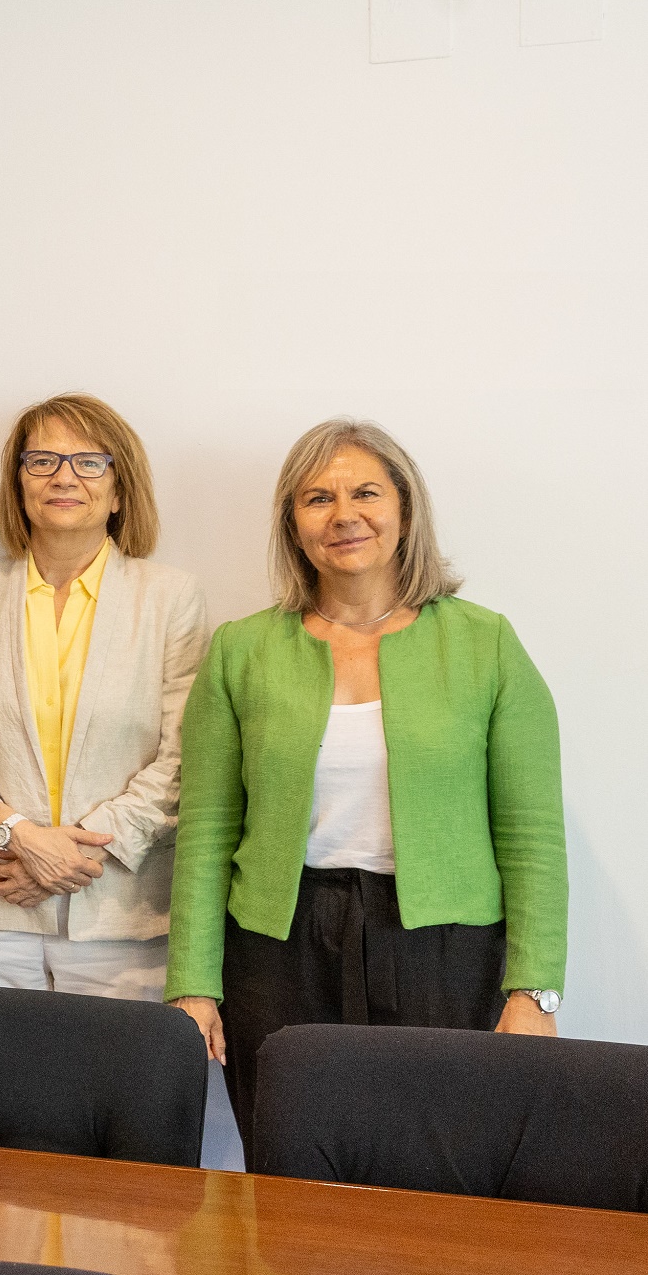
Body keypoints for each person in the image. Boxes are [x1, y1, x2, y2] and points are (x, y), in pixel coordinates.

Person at [166, 419, 566, 1144]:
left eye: (366, 493)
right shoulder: (241, 649)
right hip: (277, 952)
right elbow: (206, 831)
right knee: (291, 1162)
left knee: (436, 1166)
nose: (343, 514)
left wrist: (533, 991)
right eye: (317, 497)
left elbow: (532, 835)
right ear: (294, 524)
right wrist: (193, 984)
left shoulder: (486, 644)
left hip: (444, 953)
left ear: (405, 509)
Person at [0, 394, 206, 1001]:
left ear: (120, 488)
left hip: (120, 913)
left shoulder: (170, 598)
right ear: (18, 483)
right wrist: (20, 837)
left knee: (113, 1092)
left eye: (89, 462)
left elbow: (182, 759)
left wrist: (72, 856)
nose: (64, 476)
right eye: (41, 460)